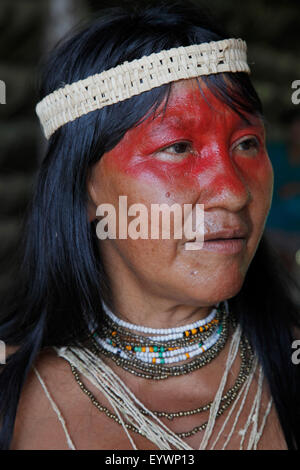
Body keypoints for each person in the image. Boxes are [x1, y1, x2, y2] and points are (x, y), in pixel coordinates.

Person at [0, 1, 299, 450]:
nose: (234, 193)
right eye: (178, 147)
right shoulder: (13, 394)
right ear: (84, 191)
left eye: (246, 143)